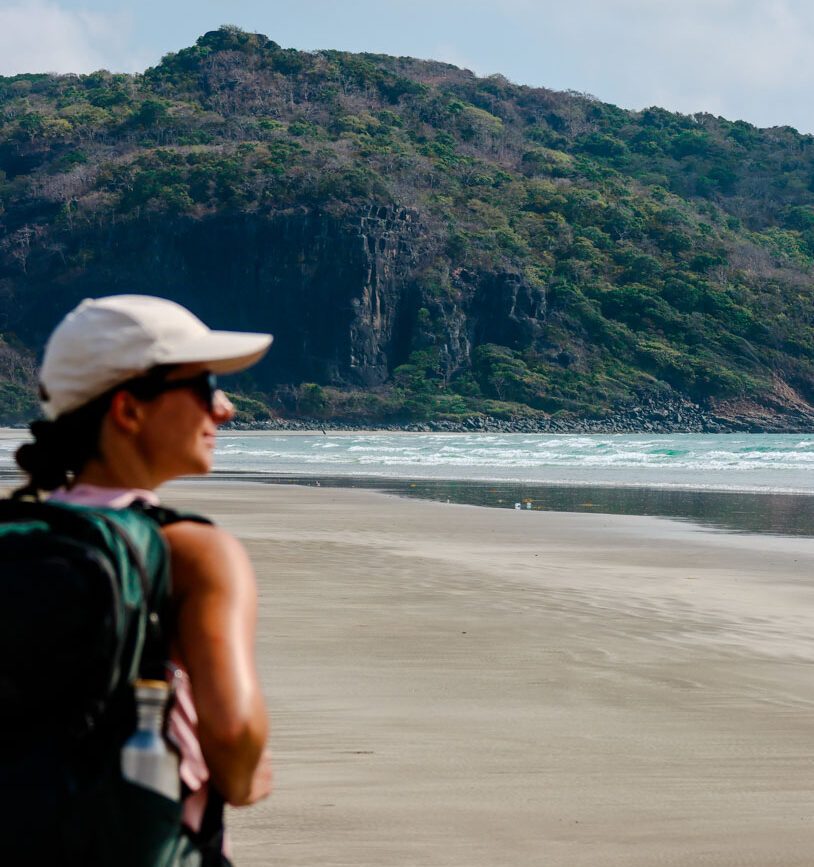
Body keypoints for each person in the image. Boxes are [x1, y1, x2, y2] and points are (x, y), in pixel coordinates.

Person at [13, 294, 274, 860]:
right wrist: (250, 776)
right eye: (204, 387)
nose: (224, 408)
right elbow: (234, 738)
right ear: (128, 411)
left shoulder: (19, 538)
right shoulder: (194, 552)